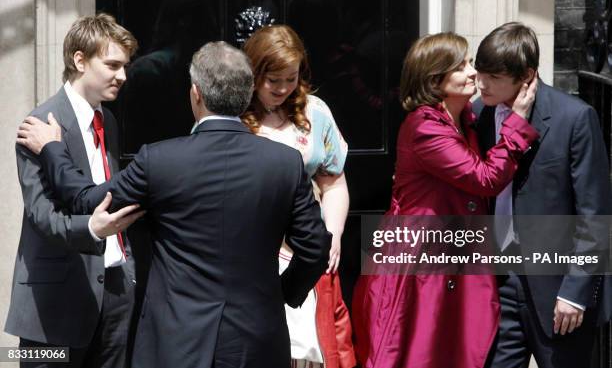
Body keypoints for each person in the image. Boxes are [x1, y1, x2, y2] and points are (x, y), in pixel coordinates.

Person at [17, 41, 331, 368]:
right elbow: (315, 248)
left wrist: (53, 149)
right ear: (248, 92)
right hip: (256, 338)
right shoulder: (284, 163)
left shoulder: (160, 160)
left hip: (176, 342)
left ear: (196, 94)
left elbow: (86, 200)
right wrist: (283, 292)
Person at [351, 32, 539, 368]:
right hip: (419, 263)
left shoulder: (465, 116)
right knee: (419, 352)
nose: (473, 73)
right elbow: (485, 179)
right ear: (435, 79)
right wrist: (517, 124)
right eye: (462, 66)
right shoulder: (425, 126)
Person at [5, 14, 143, 368]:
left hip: (115, 293)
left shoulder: (108, 120)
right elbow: (43, 216)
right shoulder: (38, 124)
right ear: (79, 60)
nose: (123, 76)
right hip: (52, 307)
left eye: (125, 66)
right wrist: (93, 229)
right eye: (112, 65)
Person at [472, 22, 612, 368]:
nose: (480, 84)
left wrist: (576, 293)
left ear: (527, 75)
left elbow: (595, 214)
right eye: (479, 73)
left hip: (558, 290)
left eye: (493, 77)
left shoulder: (575, 118)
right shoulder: (477, 115)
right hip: (499, 282)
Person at [242, 25, 356, 368]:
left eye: (290, 79)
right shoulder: (231, 112)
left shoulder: (314, 112)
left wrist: (332, 235)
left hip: (305, 248)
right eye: (272, 79)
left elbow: (334, 182)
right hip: (251, 252)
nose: (281, 88)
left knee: (313, 348)